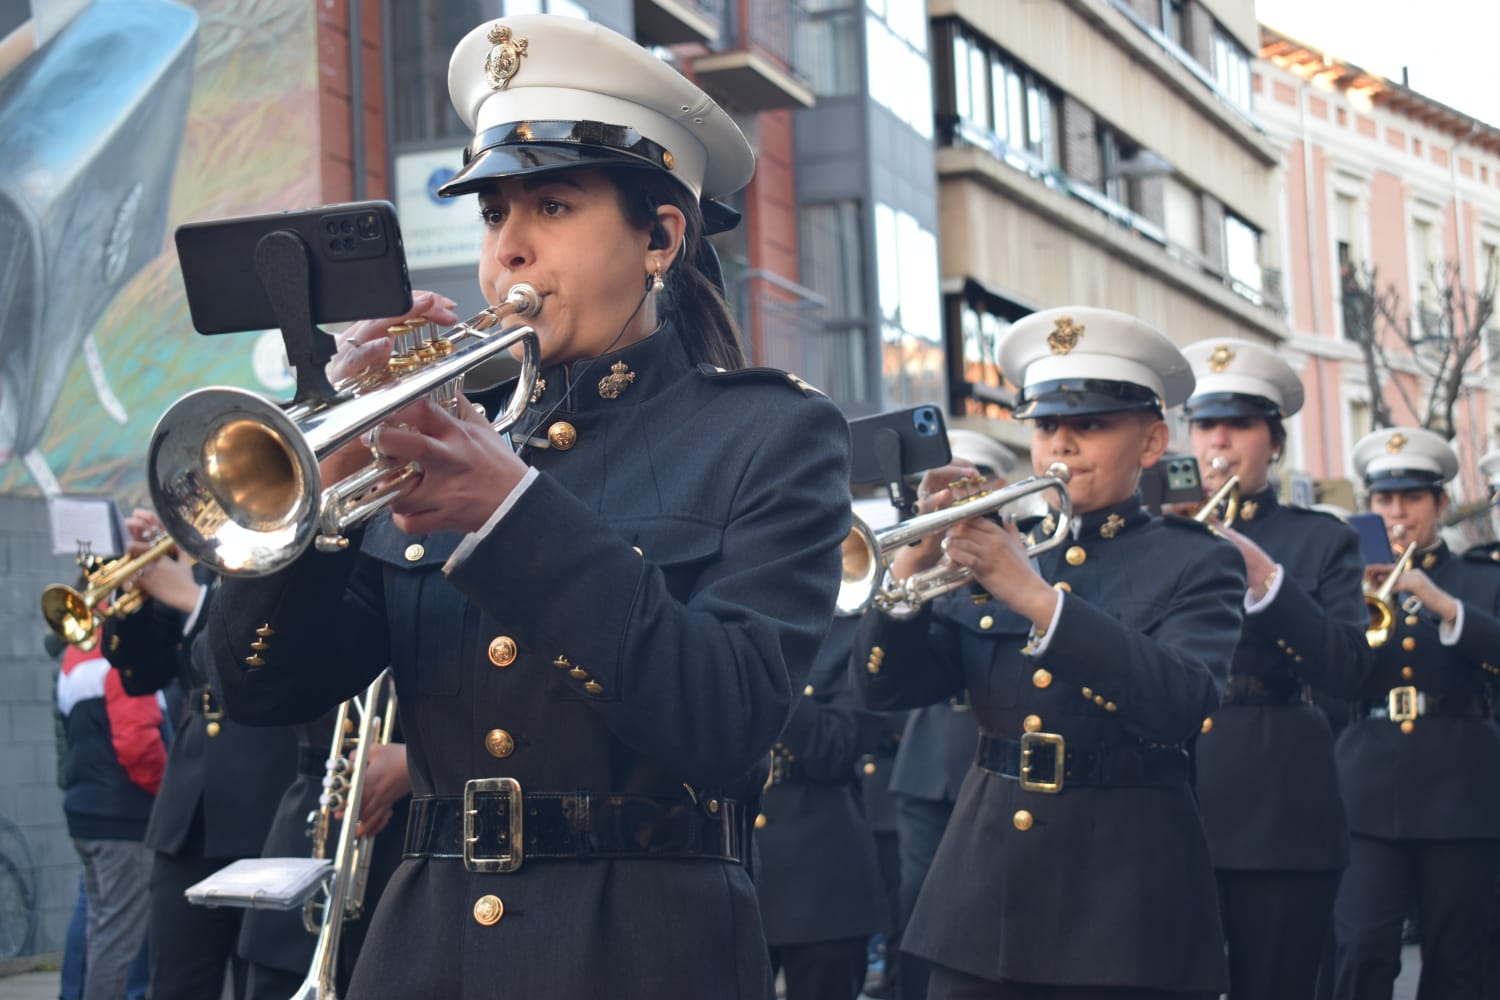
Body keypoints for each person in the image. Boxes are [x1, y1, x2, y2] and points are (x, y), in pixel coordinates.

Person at [198, 14, 850, 999]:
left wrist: (515, 515)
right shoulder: (457, 431)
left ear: (661, 238)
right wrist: (319, 483)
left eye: (550, 206)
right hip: (426, 954)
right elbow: (261, 689)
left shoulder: (769, 434)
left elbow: (729, 722)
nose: (509, 249)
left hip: (643, 956)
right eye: (493, 214)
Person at [852, 306, 1245, 1000]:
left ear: (1153, 442)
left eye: (1091, 425)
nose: (1061, 442)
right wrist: (912, 561)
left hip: (1124, 901)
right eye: (1044, 426)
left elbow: (1183, 704)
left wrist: (1035, 598)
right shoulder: (1007, 545)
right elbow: (885, 690)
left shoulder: (1197, 561)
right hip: (985, 889)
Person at [1179, 338, 1371, 1000]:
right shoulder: (1160, 533)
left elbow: (1350, 668)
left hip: (1281, 805)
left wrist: (1264, 576)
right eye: (1205, 423)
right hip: (1175, 796)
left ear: (1275, 442)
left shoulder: (1323, 539)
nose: (1218, 441)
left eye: (1239, 423)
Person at [102, 511, 300, 1000]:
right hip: (189, 809)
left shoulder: (294, 546)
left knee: (262, 984)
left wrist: (194, 603)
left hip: (267, 799)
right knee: (175, 983)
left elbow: (277, 656)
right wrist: (131, 587)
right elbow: (142, 674)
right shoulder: (202, 557)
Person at [1332, 427, 1500, 1000]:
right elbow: (1329, 676)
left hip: (1462, 790)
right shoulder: (1349, 587)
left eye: (1412, 498)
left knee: (1458, 957)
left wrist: (1443, 606)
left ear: (1441, 503)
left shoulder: (1480, 580)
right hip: (1368, 789)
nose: (1397, 513)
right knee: (1360, 946)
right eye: (1384, 499)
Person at [887, 428, 1017, 1000]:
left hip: (989, 753)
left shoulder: (1017, 557)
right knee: (917, 909)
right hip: (926, 765)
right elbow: (881, 671)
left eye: (973, 483)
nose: (959, 498)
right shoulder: (929, 560)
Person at [755, 615, 884, 1000]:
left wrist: (769, 671)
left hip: (821, 881)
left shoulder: (854, 635)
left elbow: (835, 750)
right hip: (737, 869)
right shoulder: (716, 626)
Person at [55, 633, 167, 1000]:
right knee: (119, 944)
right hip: (124, 818)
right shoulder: (124, 652)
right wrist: (171, 792)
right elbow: (138, 743)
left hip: (90, 814)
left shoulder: (75, 654)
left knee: (101, 932)